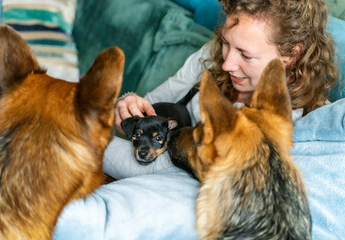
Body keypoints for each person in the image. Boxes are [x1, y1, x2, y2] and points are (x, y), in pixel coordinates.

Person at [103, 0, 338, 179]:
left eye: (246, 55)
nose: (226, 64)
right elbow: (152, 106)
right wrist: (128, 103)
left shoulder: (306, 123)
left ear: (290, 55)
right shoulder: (210, 56)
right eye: (226, 42)